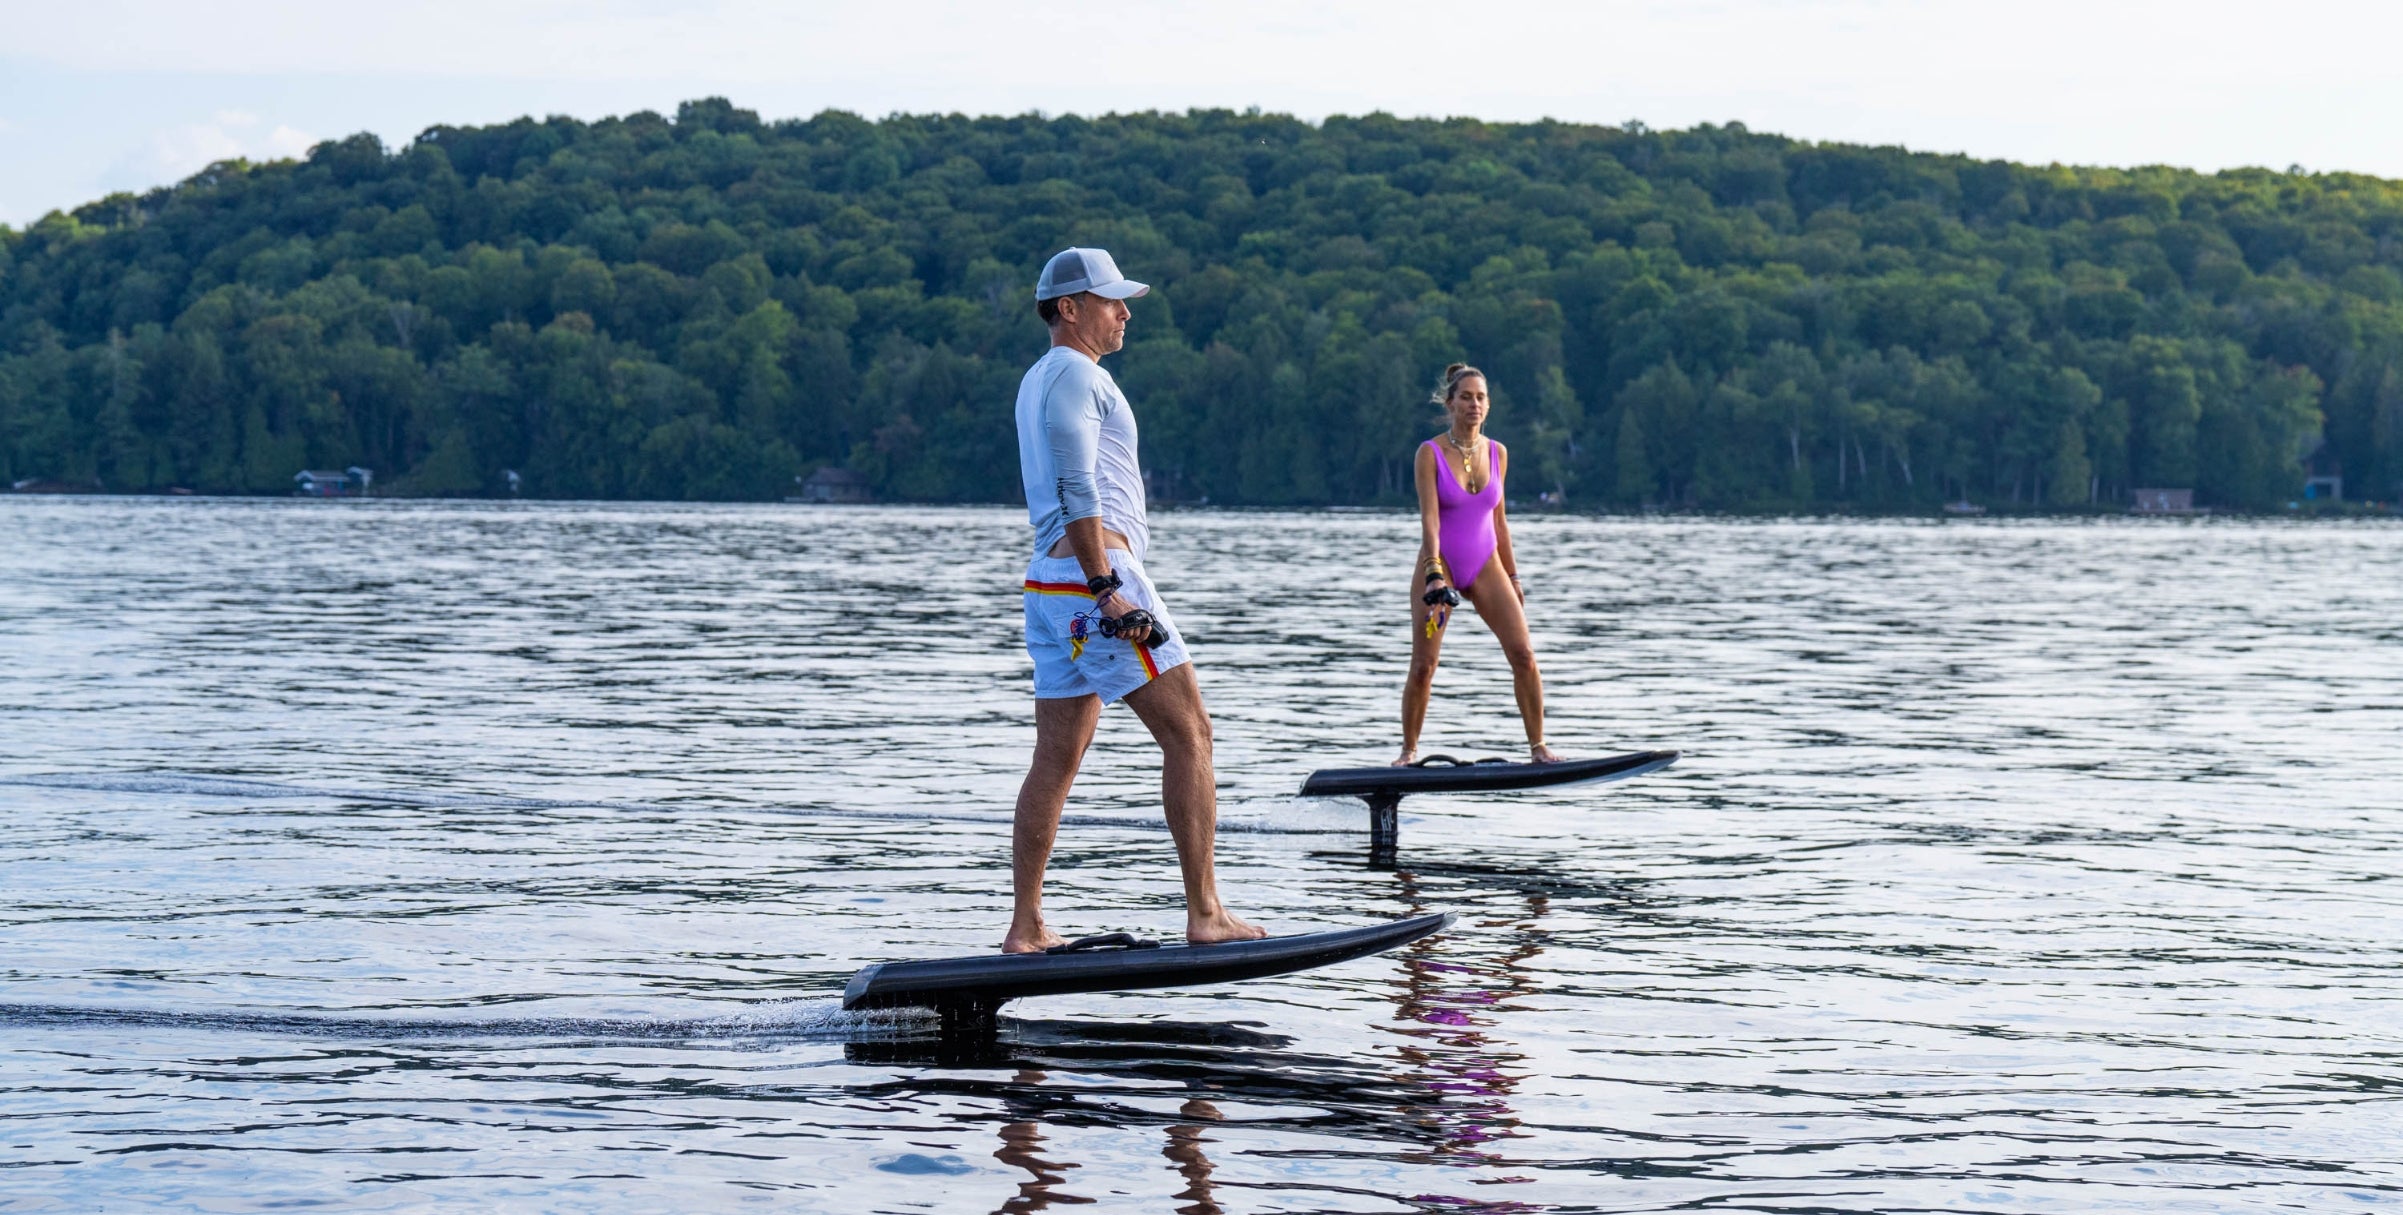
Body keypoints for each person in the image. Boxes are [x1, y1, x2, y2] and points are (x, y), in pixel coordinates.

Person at [1005, 246, 1265, 954]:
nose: (1124, 313)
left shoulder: (1044, 376)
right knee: (1191, 733)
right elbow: (1076, 483)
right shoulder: (1070, 373)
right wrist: (1107, 589)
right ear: (1068, 308)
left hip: (1051, 585)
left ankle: (1026, 925)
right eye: (1110, 300)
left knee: (1055, 756)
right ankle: (1205, 910)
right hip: (1092, 579)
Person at [1397, 363, 1562, 767]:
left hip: (1486, 563)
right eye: (1466, 397)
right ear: (1450, 403)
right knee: (1424, 665)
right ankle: (1408, 752)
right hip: (1441, 565)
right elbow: (1430, 520)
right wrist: (1434, 571)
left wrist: (1513, 575)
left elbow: (1500, 521)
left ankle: (1539, 747)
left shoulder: (1497, 453)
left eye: (1481, 397)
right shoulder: (1430, 453)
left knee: (1523, 654)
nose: (1474, 404)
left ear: (1488, 406)